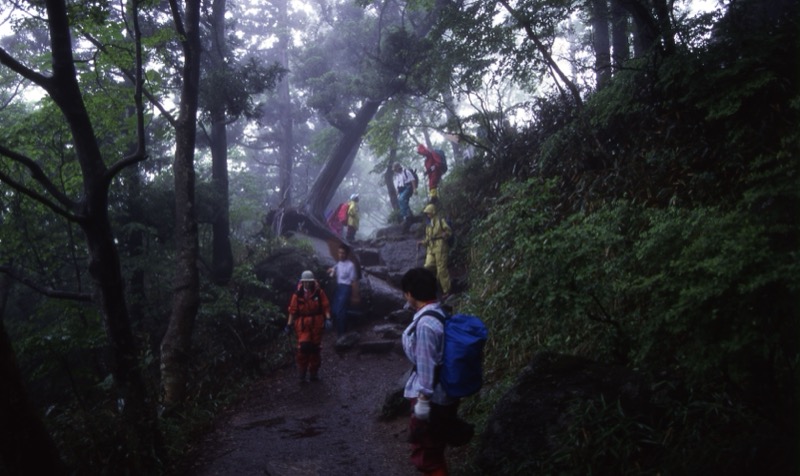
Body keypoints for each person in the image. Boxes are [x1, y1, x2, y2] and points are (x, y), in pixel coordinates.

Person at [400, 267, 459, 476]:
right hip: (444, 393)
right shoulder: (439, 312)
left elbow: (426, 365)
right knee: (434, 449)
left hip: (432, 398)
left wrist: (422, 404)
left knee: (427, 454)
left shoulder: (425, 324)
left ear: (410, 293)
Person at [285, 270, 332, 382]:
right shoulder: (297, 294)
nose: (307, 284)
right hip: (303, 324)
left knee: (315, 349)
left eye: (309, 281)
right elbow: (292, 311)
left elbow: (325, 306)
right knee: (304, 348)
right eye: (305, 281)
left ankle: (314, 373)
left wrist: (328, 318)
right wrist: (288, 325)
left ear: (312, 281)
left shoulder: (318, 292)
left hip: (316, 323)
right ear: (302, 282)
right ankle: (302, 372)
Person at [419, 203, 452, 298]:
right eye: (426, 213)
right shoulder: (428, 225)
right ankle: (435, 282)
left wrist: (445, 234)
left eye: (428, 212)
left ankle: (447, 290)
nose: (427, 214)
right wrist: (422, 242)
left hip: (441, 247)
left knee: (441, 269)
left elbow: (449, 231)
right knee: (428, 266)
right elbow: (428, 238)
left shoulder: (441, 221)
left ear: (433, 212)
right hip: (431, 248)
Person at [327, 244, 358, 336]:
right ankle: (343, 327)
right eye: (339, 252)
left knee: (340, 311)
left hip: (346, 288)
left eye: (343, 253)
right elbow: (332, 270)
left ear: (346, 254)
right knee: (334, 309)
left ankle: (342, 334)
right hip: (339, 287)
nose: (341, 255)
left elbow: (353, 281)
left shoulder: (351, 265)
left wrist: (354, 295)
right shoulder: (338, 264)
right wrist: (331, 270)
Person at [392, 162, 416, 231]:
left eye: (395, 169)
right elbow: (397, 185)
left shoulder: (406, 171)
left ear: (398, 167)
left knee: (402, 199)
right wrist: (397, 192)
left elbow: (412, 180)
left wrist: (414, 189)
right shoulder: (397, 176)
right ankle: (406, 216)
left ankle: (408, 215)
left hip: (408, 187)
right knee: (401, 201)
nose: (395, 171)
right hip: (401, 189)